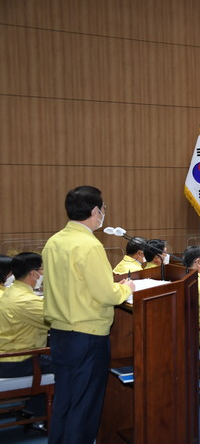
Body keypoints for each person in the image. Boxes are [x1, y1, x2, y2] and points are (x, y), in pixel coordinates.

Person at [42, 185, 134, 444]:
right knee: (84, 407)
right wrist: (126, 287)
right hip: (88, 335)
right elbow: (105, 294)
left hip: (60, 334)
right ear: (95, 211)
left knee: (65, 401)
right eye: (104, 208)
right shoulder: (89, 245)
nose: (104, 212)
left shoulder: (54, 241)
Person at [0, 252, 52, 429]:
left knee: (48, 357)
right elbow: (58, 319)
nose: (43, 273)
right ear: (33, 273)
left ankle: (32, 410)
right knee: (68, 365)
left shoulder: (10, 292)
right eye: (42, 270)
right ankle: (40, 417)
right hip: (14, 362)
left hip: (8, 355)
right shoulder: (25, 301)